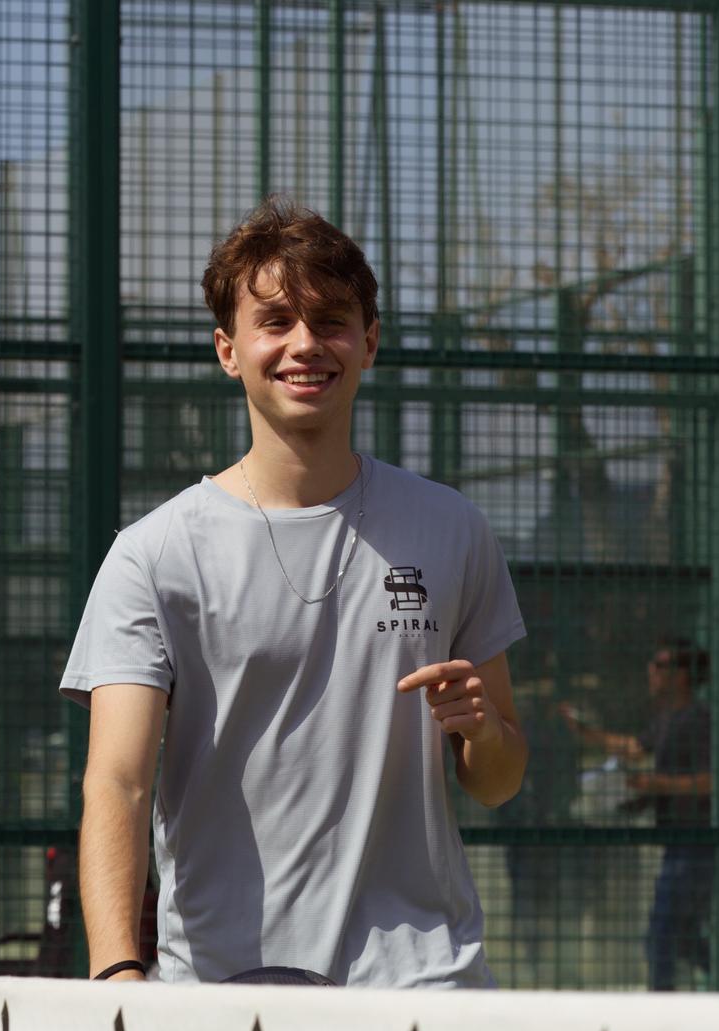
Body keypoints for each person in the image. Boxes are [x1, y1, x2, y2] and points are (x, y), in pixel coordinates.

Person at [61, 197, 528, 987]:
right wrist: (117, 974)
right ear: (228, 350)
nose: (305, 344)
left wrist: (481, 730)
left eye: (332, 321)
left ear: (369, 342)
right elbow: (118, 780)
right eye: (275, 321)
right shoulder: (154, 554)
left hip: (422, 985)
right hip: (225, 991)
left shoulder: (453, 528)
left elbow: (498, 778)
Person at [560, 636, 712, 991]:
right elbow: (634, 748)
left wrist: (656, 784)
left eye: (659, 665)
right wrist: (588, 733)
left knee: (661, 938)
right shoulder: (667, 718)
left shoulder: (698, 720)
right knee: (684, 936)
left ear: (681, 675)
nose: (650, 671)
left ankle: (663, 1005)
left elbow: (711, 781)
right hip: (676, 843)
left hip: (697, 843)